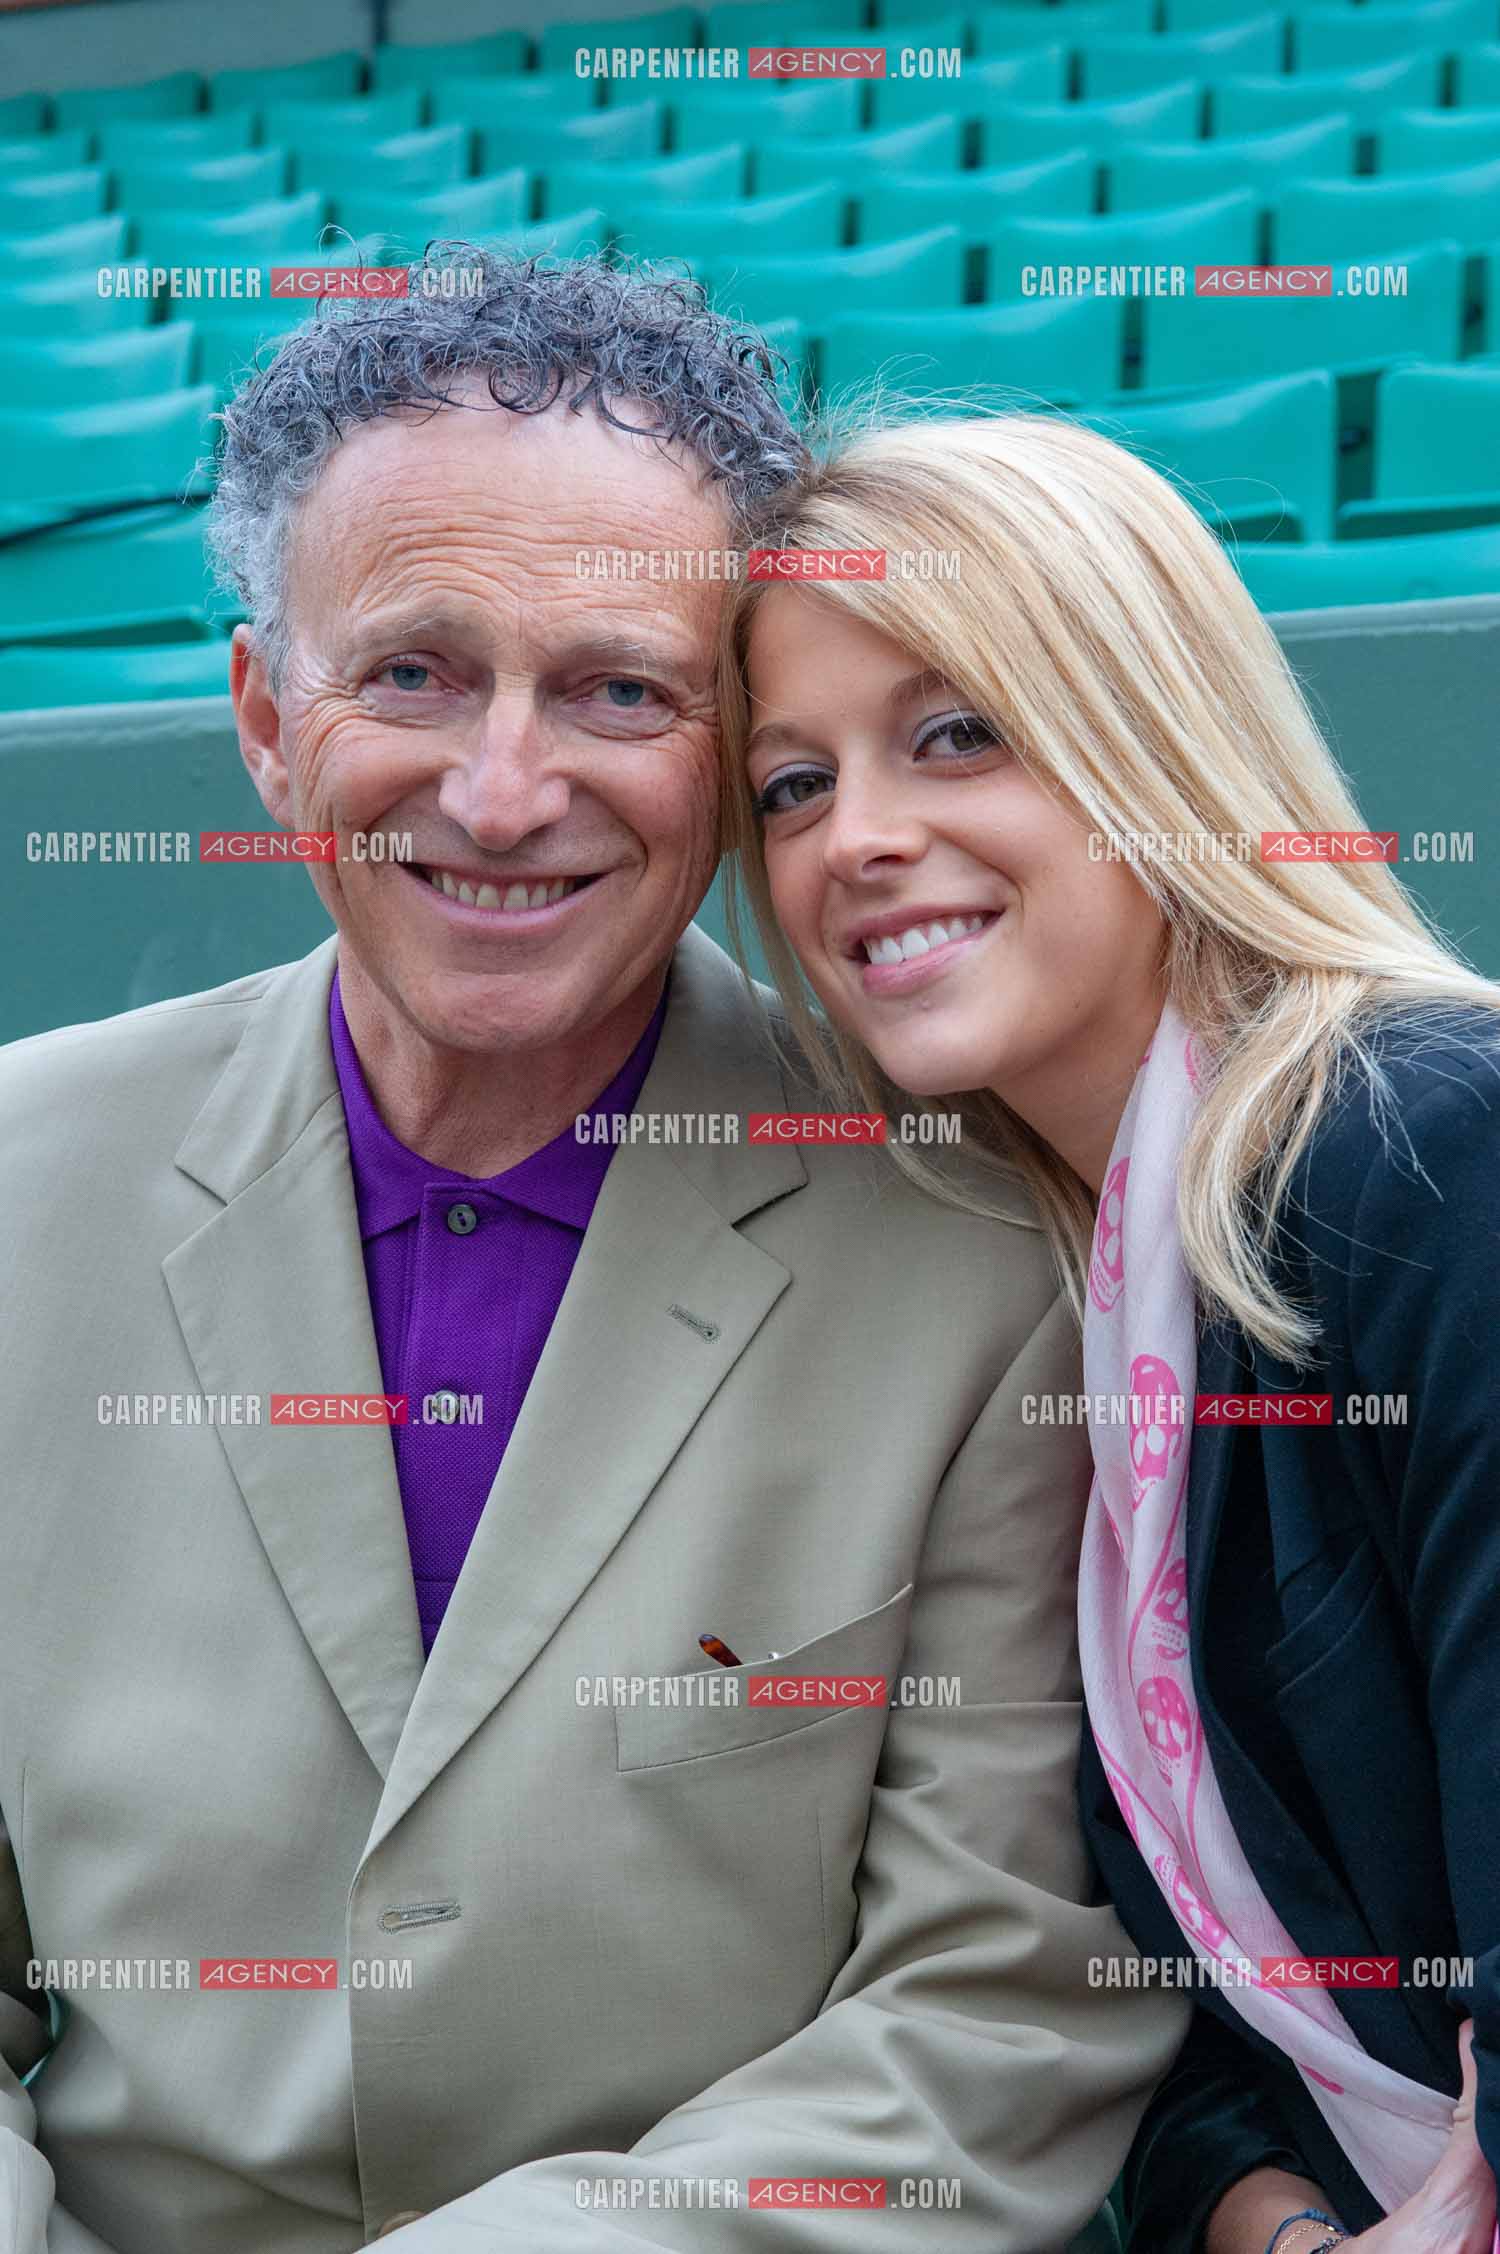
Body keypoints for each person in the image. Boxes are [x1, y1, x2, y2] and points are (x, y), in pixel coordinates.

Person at [0, 254, 1185, 2253]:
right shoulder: (16, 1187)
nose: (501, 792)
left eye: (619, 689)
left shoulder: (988, 1246)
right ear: (267, 719)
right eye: (412, 672)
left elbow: (993, 2008)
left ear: (730, 756)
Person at [718, 407, 1500, 2254]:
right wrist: (1283, 2235)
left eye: (955, 733)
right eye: (794, 783)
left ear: (1151, 731)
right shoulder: (1071, 1281)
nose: (858, 839)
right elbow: (1177, 2032)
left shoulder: (1429, 1152)